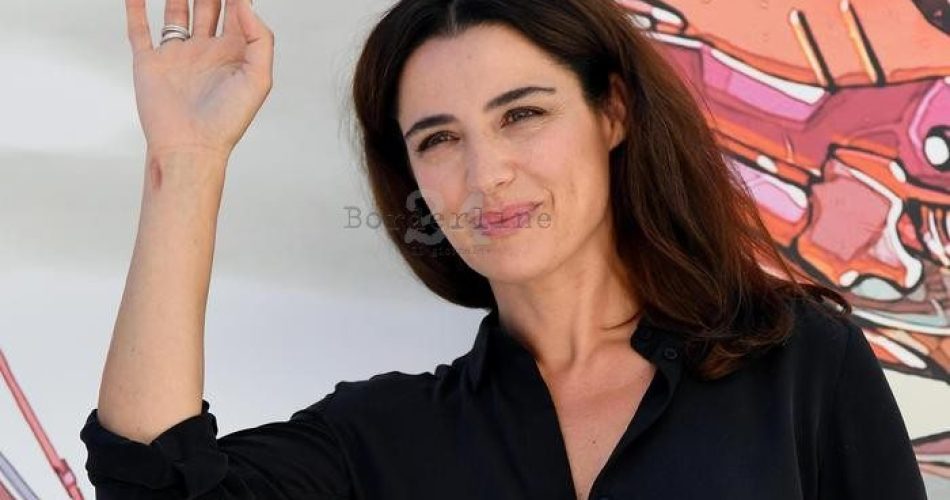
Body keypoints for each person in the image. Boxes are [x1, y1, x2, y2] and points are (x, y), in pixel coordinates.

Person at [80, 0, 927, 498]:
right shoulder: (386, 436)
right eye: (439, 138)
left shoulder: (797, 367)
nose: (485, 175)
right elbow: (150, 482)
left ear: (612, 113)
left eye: (522, 114)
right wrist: (187, 162)